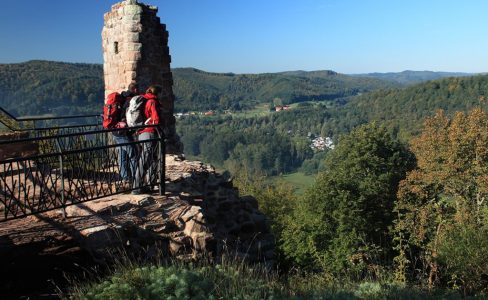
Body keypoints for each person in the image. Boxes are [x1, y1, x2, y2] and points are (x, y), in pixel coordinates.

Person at [132, 85, 162, 194]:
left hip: (141, 133)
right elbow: (156, 119)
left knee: (151, 159)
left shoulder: (144, 99)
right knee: (145, 160)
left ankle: (149, 185)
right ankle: (136, 187)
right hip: (149, 133)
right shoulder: (152, 102)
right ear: (157, 93)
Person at [113, 83, 139, 184]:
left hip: (115, 130)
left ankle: (125, 178)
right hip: (124, 132)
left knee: (122, 156)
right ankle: (135, 179)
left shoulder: (121, 98)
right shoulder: (131, 101)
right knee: (133, 154)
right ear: (135, 89)